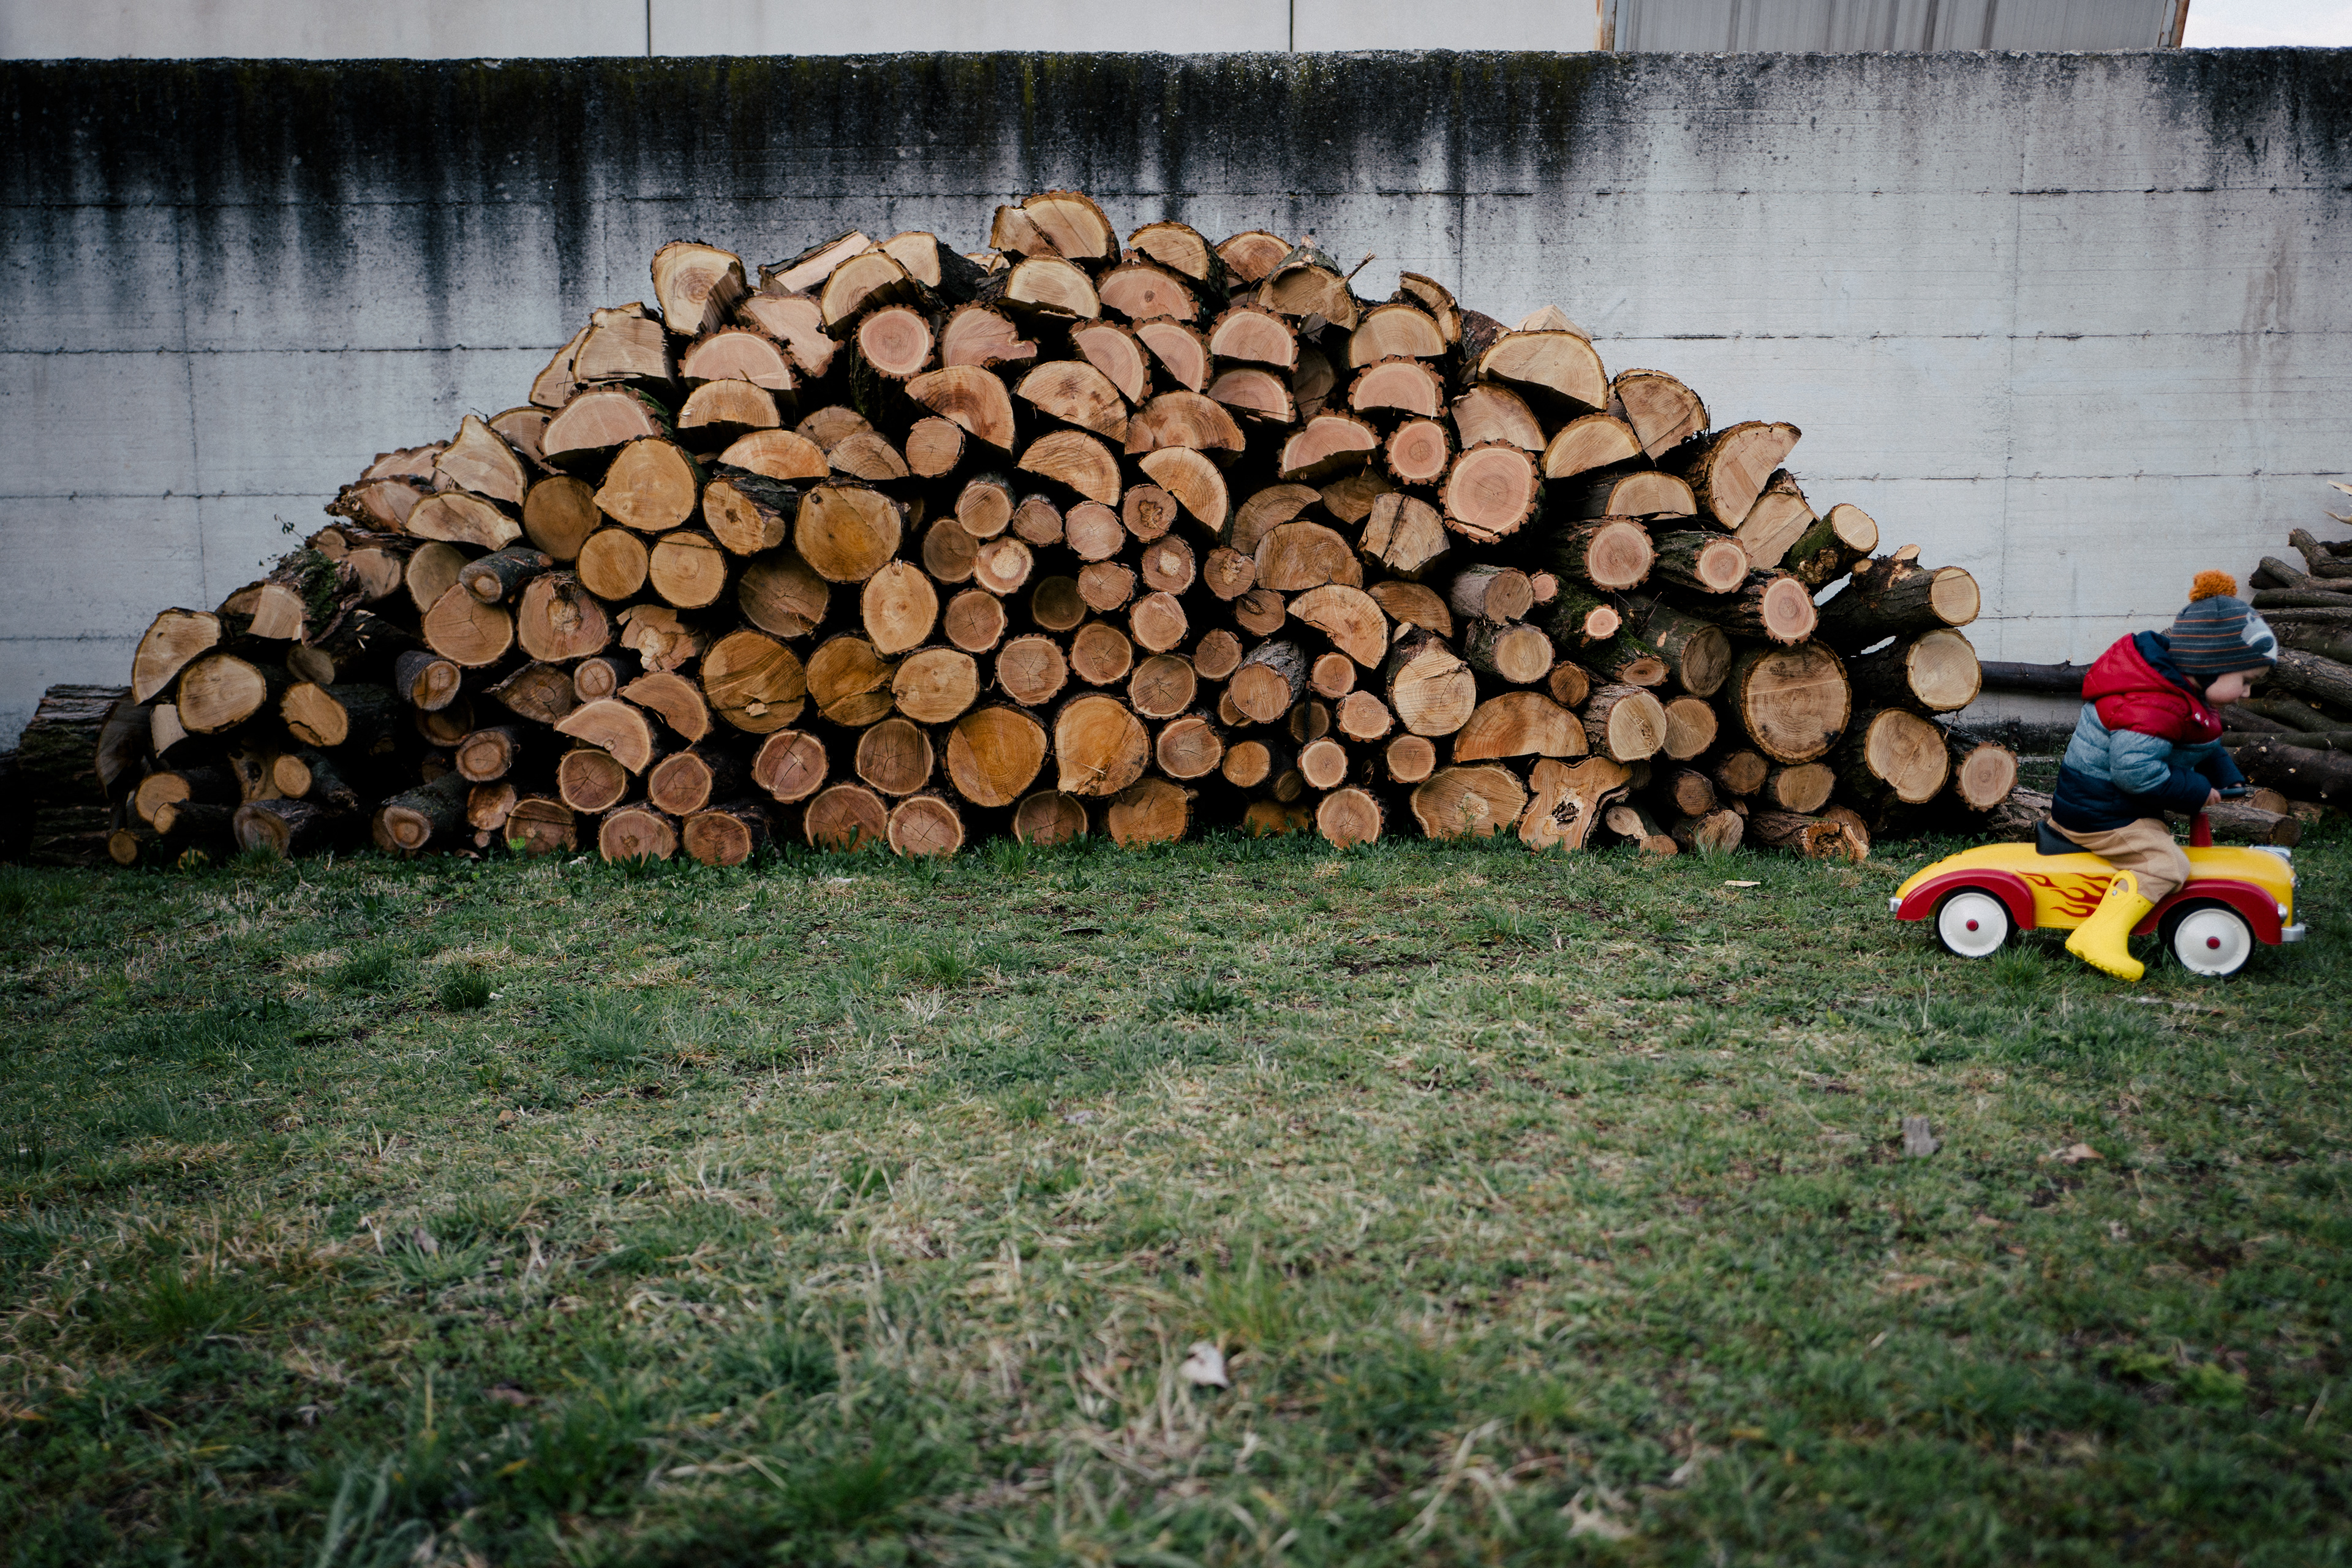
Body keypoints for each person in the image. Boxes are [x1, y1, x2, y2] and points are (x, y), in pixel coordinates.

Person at [2048, 570, 2277, 980]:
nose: (2246, 693)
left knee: (2165, 848)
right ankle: (2099, 935)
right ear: (2210, 665)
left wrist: (2227, 777)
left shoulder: (2178, 692)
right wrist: (2196, 789)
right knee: (2165, 863)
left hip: (2116, 804)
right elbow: (2134, 771)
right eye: (2244, 681)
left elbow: (2200, 743)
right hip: (2100, 811)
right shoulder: (2152, 703)